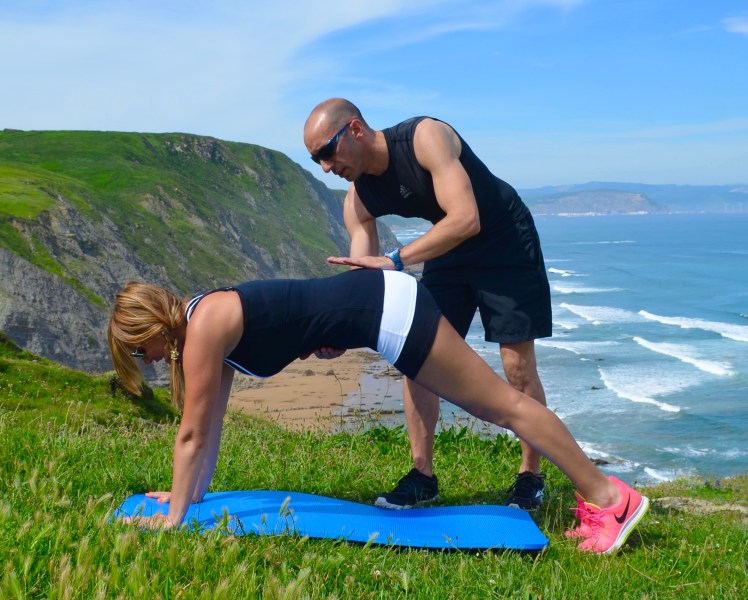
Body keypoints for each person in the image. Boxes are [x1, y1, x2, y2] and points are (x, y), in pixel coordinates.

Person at [108, 268, 649, 554]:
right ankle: (604, 498)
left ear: (151, 328)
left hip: (387, 310)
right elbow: (208, 426)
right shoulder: (204, 323)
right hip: (380, 303)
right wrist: (188, 498)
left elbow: (191, 436)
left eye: (137, 349)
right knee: (502, 407)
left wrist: (173, 521)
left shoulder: (202, 327)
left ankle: (611, 500)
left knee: (503, 407)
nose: (145, 360)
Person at [303, 98, 552, 510]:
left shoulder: (425, 137)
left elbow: (466, 217)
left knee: (517, 366)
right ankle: (422, 476)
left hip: (504, 239)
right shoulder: (358, 200)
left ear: (356, 130)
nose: (326, 167)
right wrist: (340, 333)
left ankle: (531, 477)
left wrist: (397, 259)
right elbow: (364, 278)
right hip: (450, 248)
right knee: (418, 356)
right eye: (317, 160)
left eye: (327, 152)